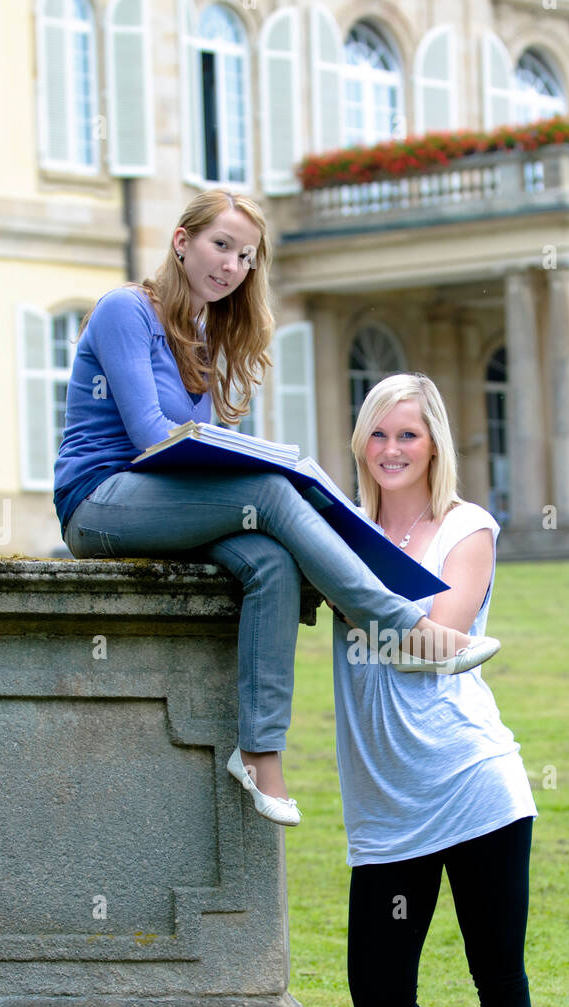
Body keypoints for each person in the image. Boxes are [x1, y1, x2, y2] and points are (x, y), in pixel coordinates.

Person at [53, 190, 498, 827]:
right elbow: (154, 438)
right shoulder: (126, 310)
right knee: (269, 491)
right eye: (221, 246)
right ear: (182, 242)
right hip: (100, 502)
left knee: (270, 561)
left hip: (166, 504)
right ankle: (400, 626)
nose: (232, 265)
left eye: (246, 257)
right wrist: (263, 468)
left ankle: (260, 755)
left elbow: (191, 453)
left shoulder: (201, 333)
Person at [331, 373, 537, 1007]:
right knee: (379, 996)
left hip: (471, 783)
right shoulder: (340, 532)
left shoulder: (465, 527)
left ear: (434, 444)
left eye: (406, 435)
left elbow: (438, 640)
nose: (389, 450)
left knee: (497, 972)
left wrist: (342, 574)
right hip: (385, 803)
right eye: (377, 434)